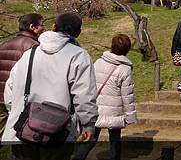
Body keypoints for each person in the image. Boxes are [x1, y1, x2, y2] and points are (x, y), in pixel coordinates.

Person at [2, 12, 98, 160]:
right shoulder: (79, 56)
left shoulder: (30, 53)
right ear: (78, 33)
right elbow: (85, 95)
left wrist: (17, 113)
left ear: (53, 27)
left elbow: (10, 89)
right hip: (56, 132)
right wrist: (88, 125)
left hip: (21, 130)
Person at [72, 34, 137, 160]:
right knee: (115, 141)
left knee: (90, 139)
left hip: (95, 107)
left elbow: (89, 84)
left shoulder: (99, 62)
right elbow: (127, 95)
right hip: (114, 110)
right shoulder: (125, 69)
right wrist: (130, 116)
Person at [0, 13, 44, 136]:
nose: (43, 28)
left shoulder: (4, 44)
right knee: (19, 135)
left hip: (1, 96)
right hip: (18, 97)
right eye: (41, 25)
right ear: (32, 27)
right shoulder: (34, 47)